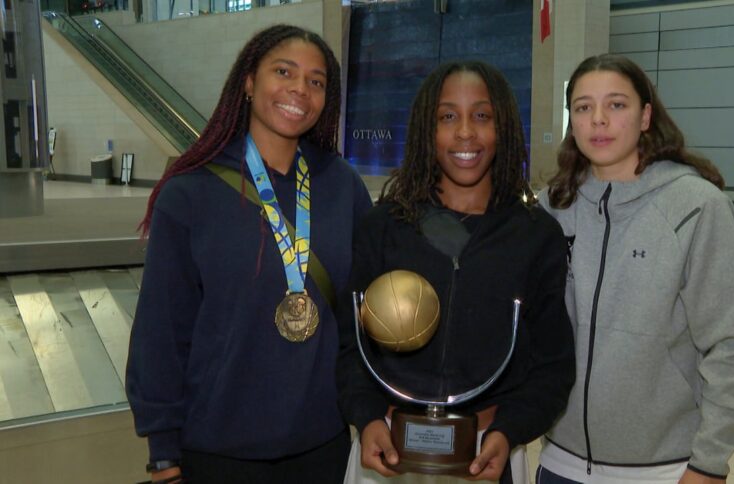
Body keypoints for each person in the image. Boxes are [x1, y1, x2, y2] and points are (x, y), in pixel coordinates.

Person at [126, 25, 371, 484]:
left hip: (322, 445)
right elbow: (162, 328)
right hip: (218, 451)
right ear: (248, 82)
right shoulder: (191, 193)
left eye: (316, 81)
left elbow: (358, 315)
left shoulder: (342, 186)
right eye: (284, 72)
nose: (300, 89)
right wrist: (163, 452)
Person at [337, 60, 576, 484]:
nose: (465, 132)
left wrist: (509, 430)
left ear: (502, 126)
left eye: (481, 116)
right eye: (448, 116)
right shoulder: (386, 226)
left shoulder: (535, 236)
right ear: (427, 130)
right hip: (386, 449)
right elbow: (349, 347)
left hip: (487, 452)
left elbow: (553, 366)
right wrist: (367, 416)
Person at [536, 54, 734, 484]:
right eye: (584, 107)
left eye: (616, 105)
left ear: (645, 116)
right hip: (560, 461)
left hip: (663, 468)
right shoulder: (555, 206)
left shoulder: (695, 206)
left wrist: (708, 463)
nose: (598, 120)